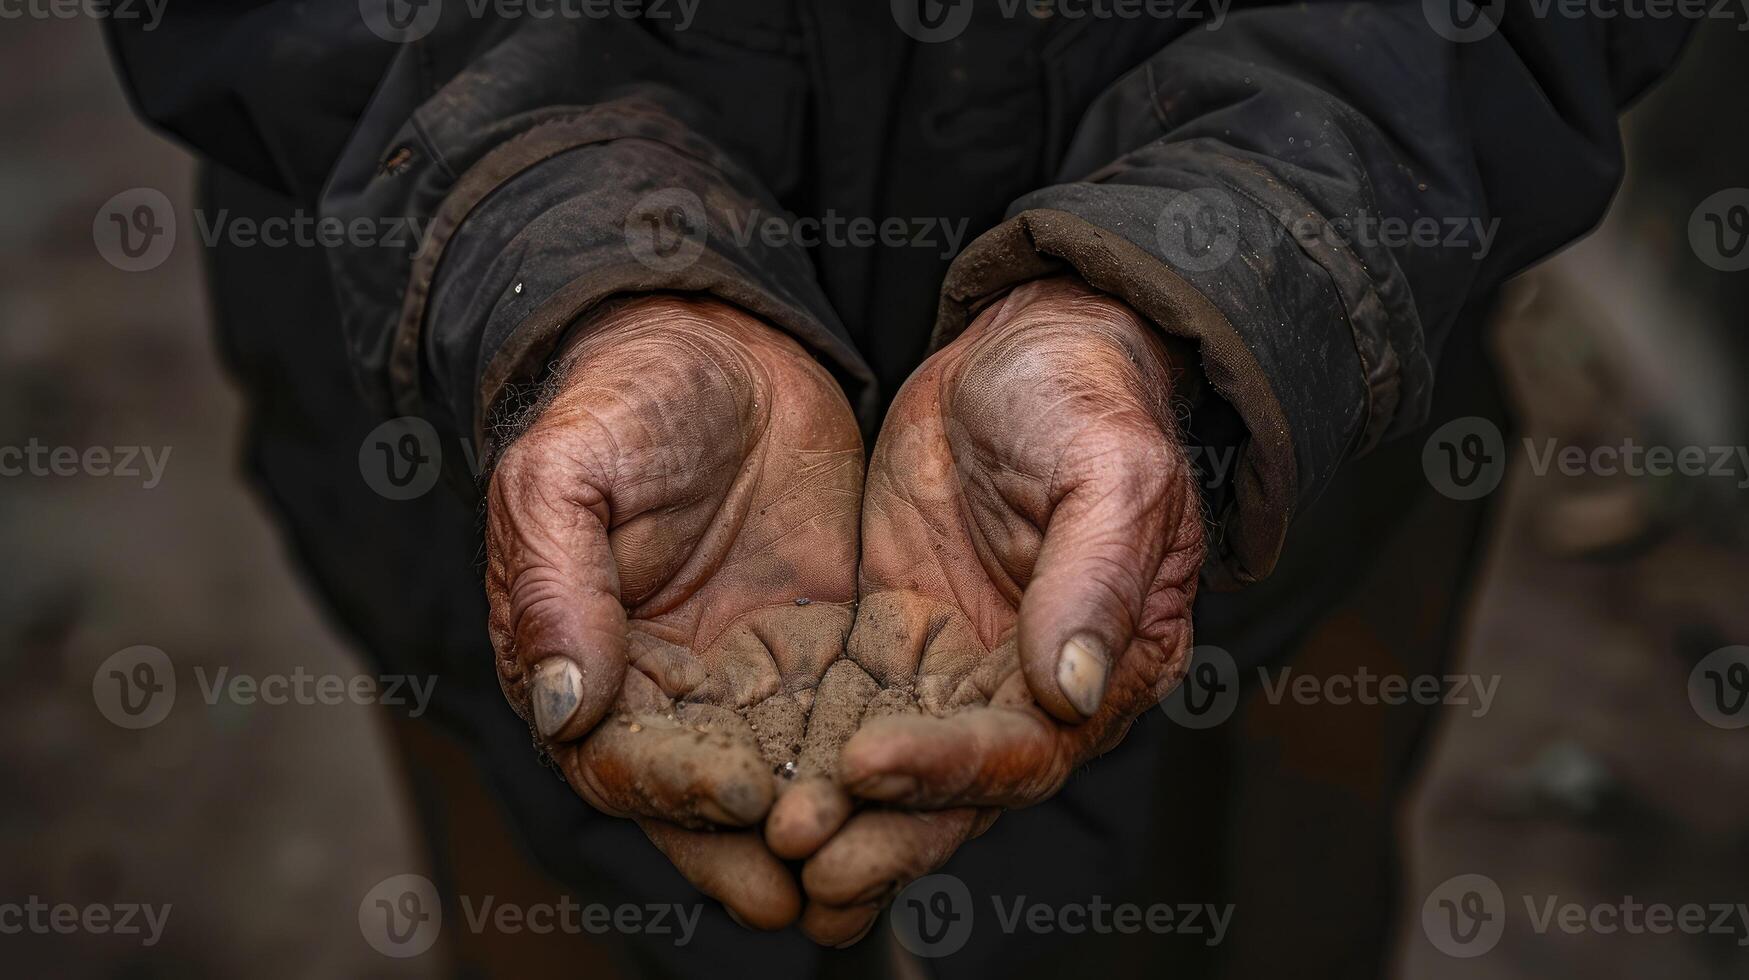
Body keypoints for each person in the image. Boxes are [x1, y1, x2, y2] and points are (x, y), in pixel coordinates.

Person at [107, 2, 1691, 976]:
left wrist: (1214, 267)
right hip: (494, 411)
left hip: (1268, 447)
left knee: (1230, 906)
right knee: (576, 899)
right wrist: (568, 253)